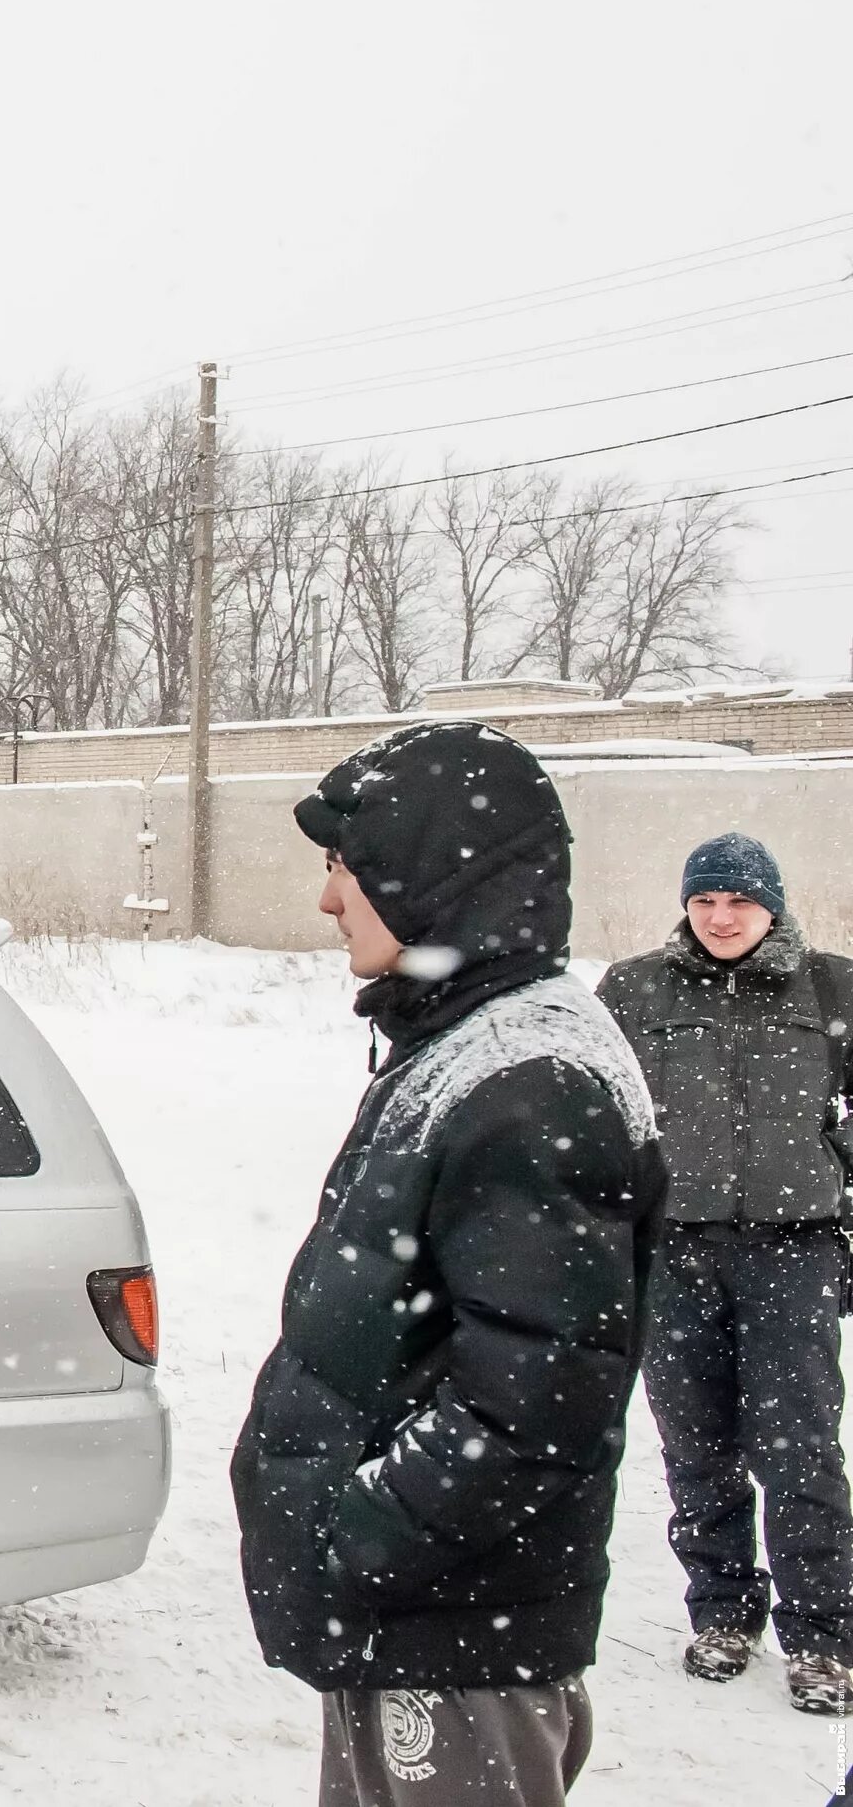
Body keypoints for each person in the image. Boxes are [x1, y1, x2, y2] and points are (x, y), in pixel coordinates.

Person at [233, 721, 662, 1807]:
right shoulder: (475, 1041)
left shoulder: (533, 1076)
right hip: (430, 1628)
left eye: (342, 867)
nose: (329, 900)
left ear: (428, 868)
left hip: (456, 1641)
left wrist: (360, 1537)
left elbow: (536, 1403)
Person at [597, 833, 853, 1714]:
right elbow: (604, 1128)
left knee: (801, 1451)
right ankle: (723, 1612)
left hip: (796, 1249)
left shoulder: (833, 987)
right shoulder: (633, 990)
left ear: (771, 905)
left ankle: (824, 1637)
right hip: (674, 1253)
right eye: (705, 900)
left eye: (739, 901)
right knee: (696, 1446)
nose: (720, 917)